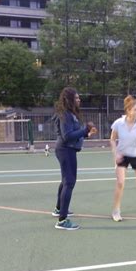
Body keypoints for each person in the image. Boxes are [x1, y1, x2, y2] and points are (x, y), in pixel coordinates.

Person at [52, 87, 97, 230]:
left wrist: (86, 134)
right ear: (70, 99)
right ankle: (62, 220)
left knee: (66, 180)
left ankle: (59, 209)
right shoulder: (65, 114)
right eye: (76, 98)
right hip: (65, 150)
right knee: (69, 182)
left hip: (67, 150)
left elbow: (73, 133)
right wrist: (84, 130)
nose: (79, 100)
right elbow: (67, 136)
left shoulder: (69, 114)